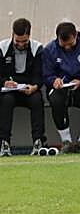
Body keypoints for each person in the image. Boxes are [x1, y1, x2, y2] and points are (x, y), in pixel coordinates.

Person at [42, 21, 80, 153]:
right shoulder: (50, 49)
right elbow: (46, 74)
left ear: (76, 36)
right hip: (61, 89)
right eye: (63, 45)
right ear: (57, 38)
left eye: (70, 43)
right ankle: (66, 141)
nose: (67, 47)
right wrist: (54, 80)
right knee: (55, 100)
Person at [0, 17, 46, 156]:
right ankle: (4, 142)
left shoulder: (37, 49)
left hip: (29, 88)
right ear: (12, 35)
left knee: (37, 99)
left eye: (24, 41)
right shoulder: (2, 48)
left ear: (29, 36)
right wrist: (4, 82)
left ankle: (38, 141)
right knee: (6, 101)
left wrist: (35, 86)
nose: (20, 44)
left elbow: (40, 74)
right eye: (17, 41)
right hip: (9, 90)